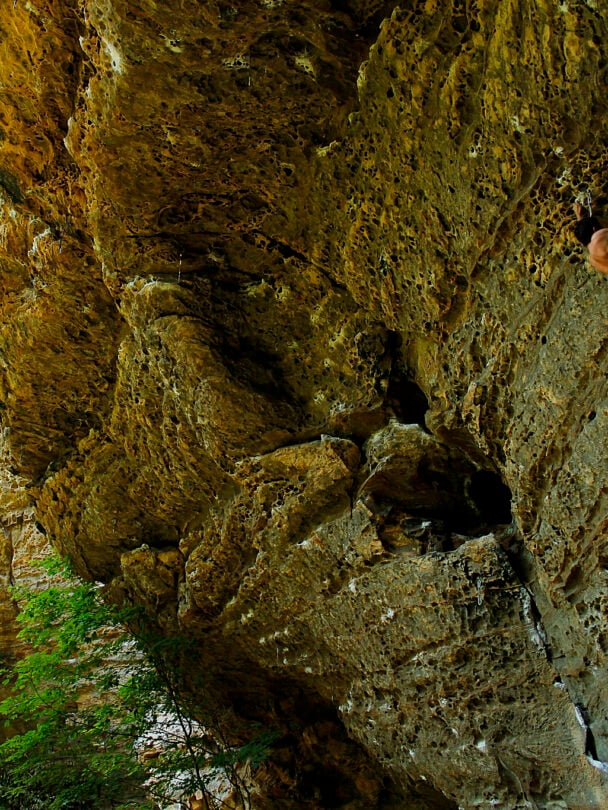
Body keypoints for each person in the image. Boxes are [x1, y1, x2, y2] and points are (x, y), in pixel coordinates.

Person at [574, 200, 608, 275]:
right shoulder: (601, 237)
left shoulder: (593, 259)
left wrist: (581, 221)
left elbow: (584, 234)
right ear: (595, 228)